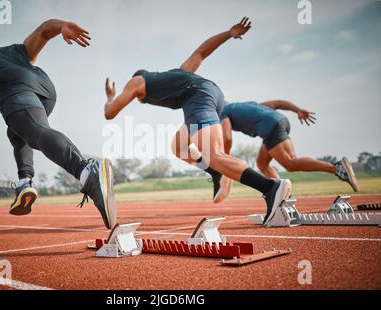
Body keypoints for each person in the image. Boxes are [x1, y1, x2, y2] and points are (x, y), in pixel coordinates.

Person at [103, 17, 292, 226]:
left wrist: (111, 96)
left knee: (214, 155)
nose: (138, 99)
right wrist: (228, 34)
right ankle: (215, 172)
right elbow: (200, 53)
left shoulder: (138, 81)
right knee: (179, 146)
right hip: (212, 95)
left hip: (198, 97)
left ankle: (269, 187)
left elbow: (110, 113)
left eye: (137, 97)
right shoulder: (178, 74)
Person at [0, 19, 116, 229]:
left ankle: (86, 170)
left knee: (35, 131)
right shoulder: (14, 51)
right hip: (45, 89)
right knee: (17, 131)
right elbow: (44, 30)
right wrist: (63, 26)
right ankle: (25, 182)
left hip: (17, 92)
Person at [219, 100, 359, 192]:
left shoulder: (223, 113)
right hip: (280, 122)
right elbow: (277, 103)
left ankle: (336, 167)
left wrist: (225, 158)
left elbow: (227, 137)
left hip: (271, 128)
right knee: (262, 163)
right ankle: (280, 191)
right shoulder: (247, 105)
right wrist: (297, 110)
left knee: (290, 163)